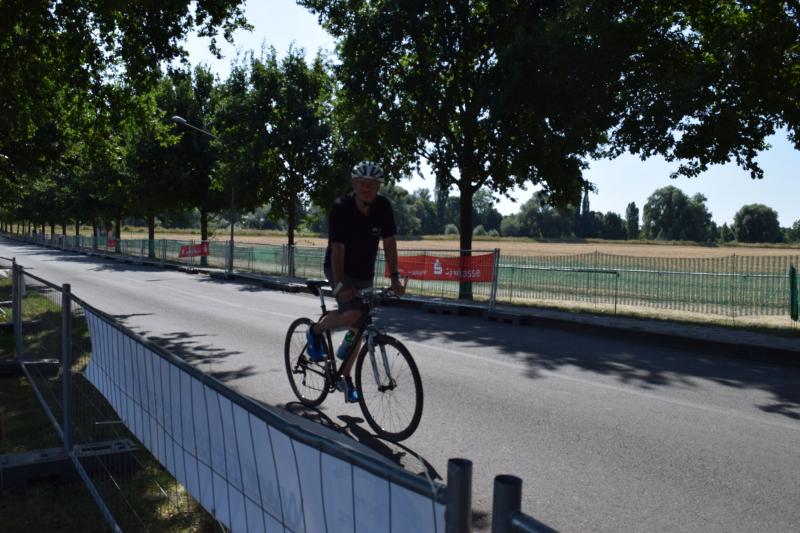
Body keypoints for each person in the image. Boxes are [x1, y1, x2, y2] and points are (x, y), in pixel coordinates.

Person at [306, 160, 406, 402]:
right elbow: (337, 248)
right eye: (362, 184)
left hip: (364, 272)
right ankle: (314, 332)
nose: (366, 189)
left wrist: (394, 277)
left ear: (378, 187)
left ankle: (345, 376)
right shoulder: (341, 207)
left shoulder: (383, 207)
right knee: (351, 314)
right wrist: (340, 285)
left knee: (360, 325)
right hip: (338, 267)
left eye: (371, 185)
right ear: (354, 184)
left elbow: (389, 242)